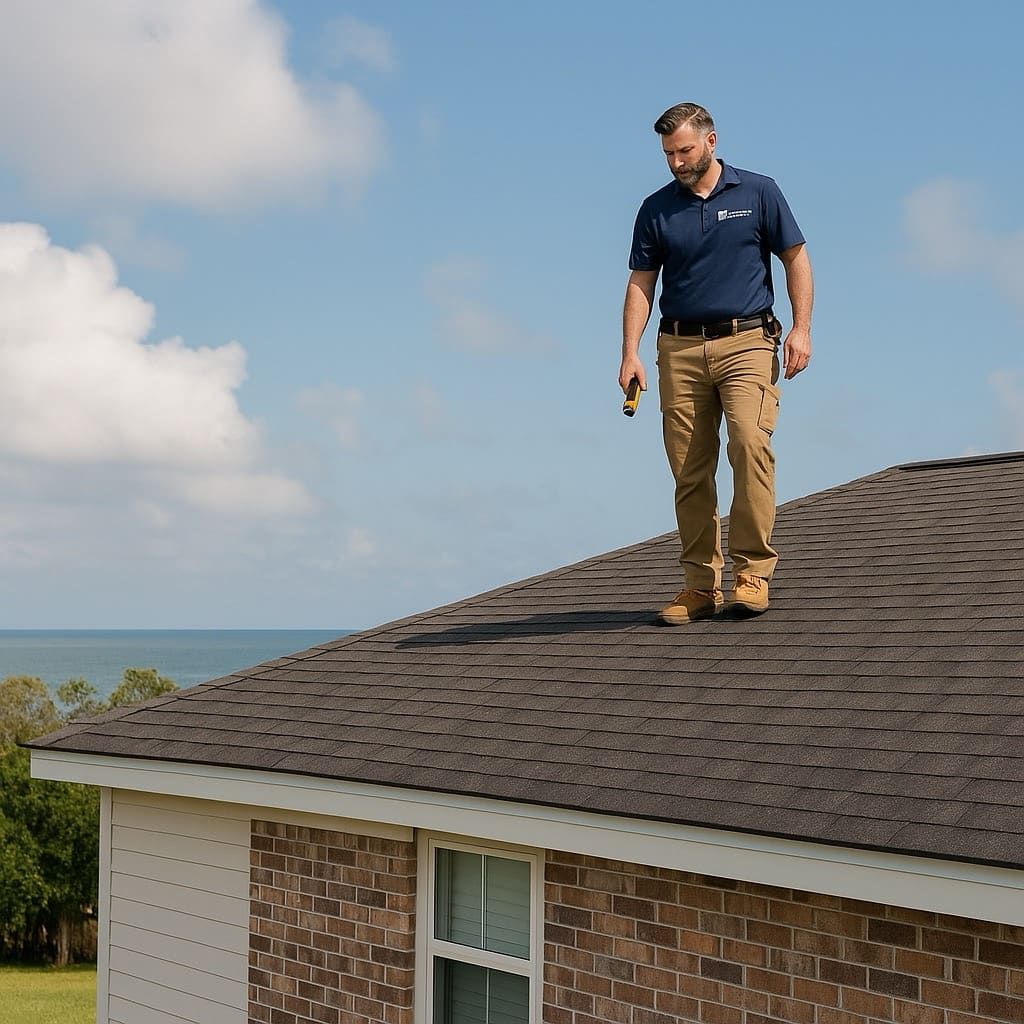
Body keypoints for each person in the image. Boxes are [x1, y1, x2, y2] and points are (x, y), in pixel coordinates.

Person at [619, 102, 813, 623]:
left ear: (710, 141)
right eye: (668, 154)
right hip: (677, 347)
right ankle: (700, 587)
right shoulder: (655, 208)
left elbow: (795, 256)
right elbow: (641, 284)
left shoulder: (758, 192)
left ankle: (752, 575)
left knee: (750, 445)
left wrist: (800, 328)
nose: (676, 162)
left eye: (684, 150)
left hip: (747, 340)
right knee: (688, 467)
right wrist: (630, 354)